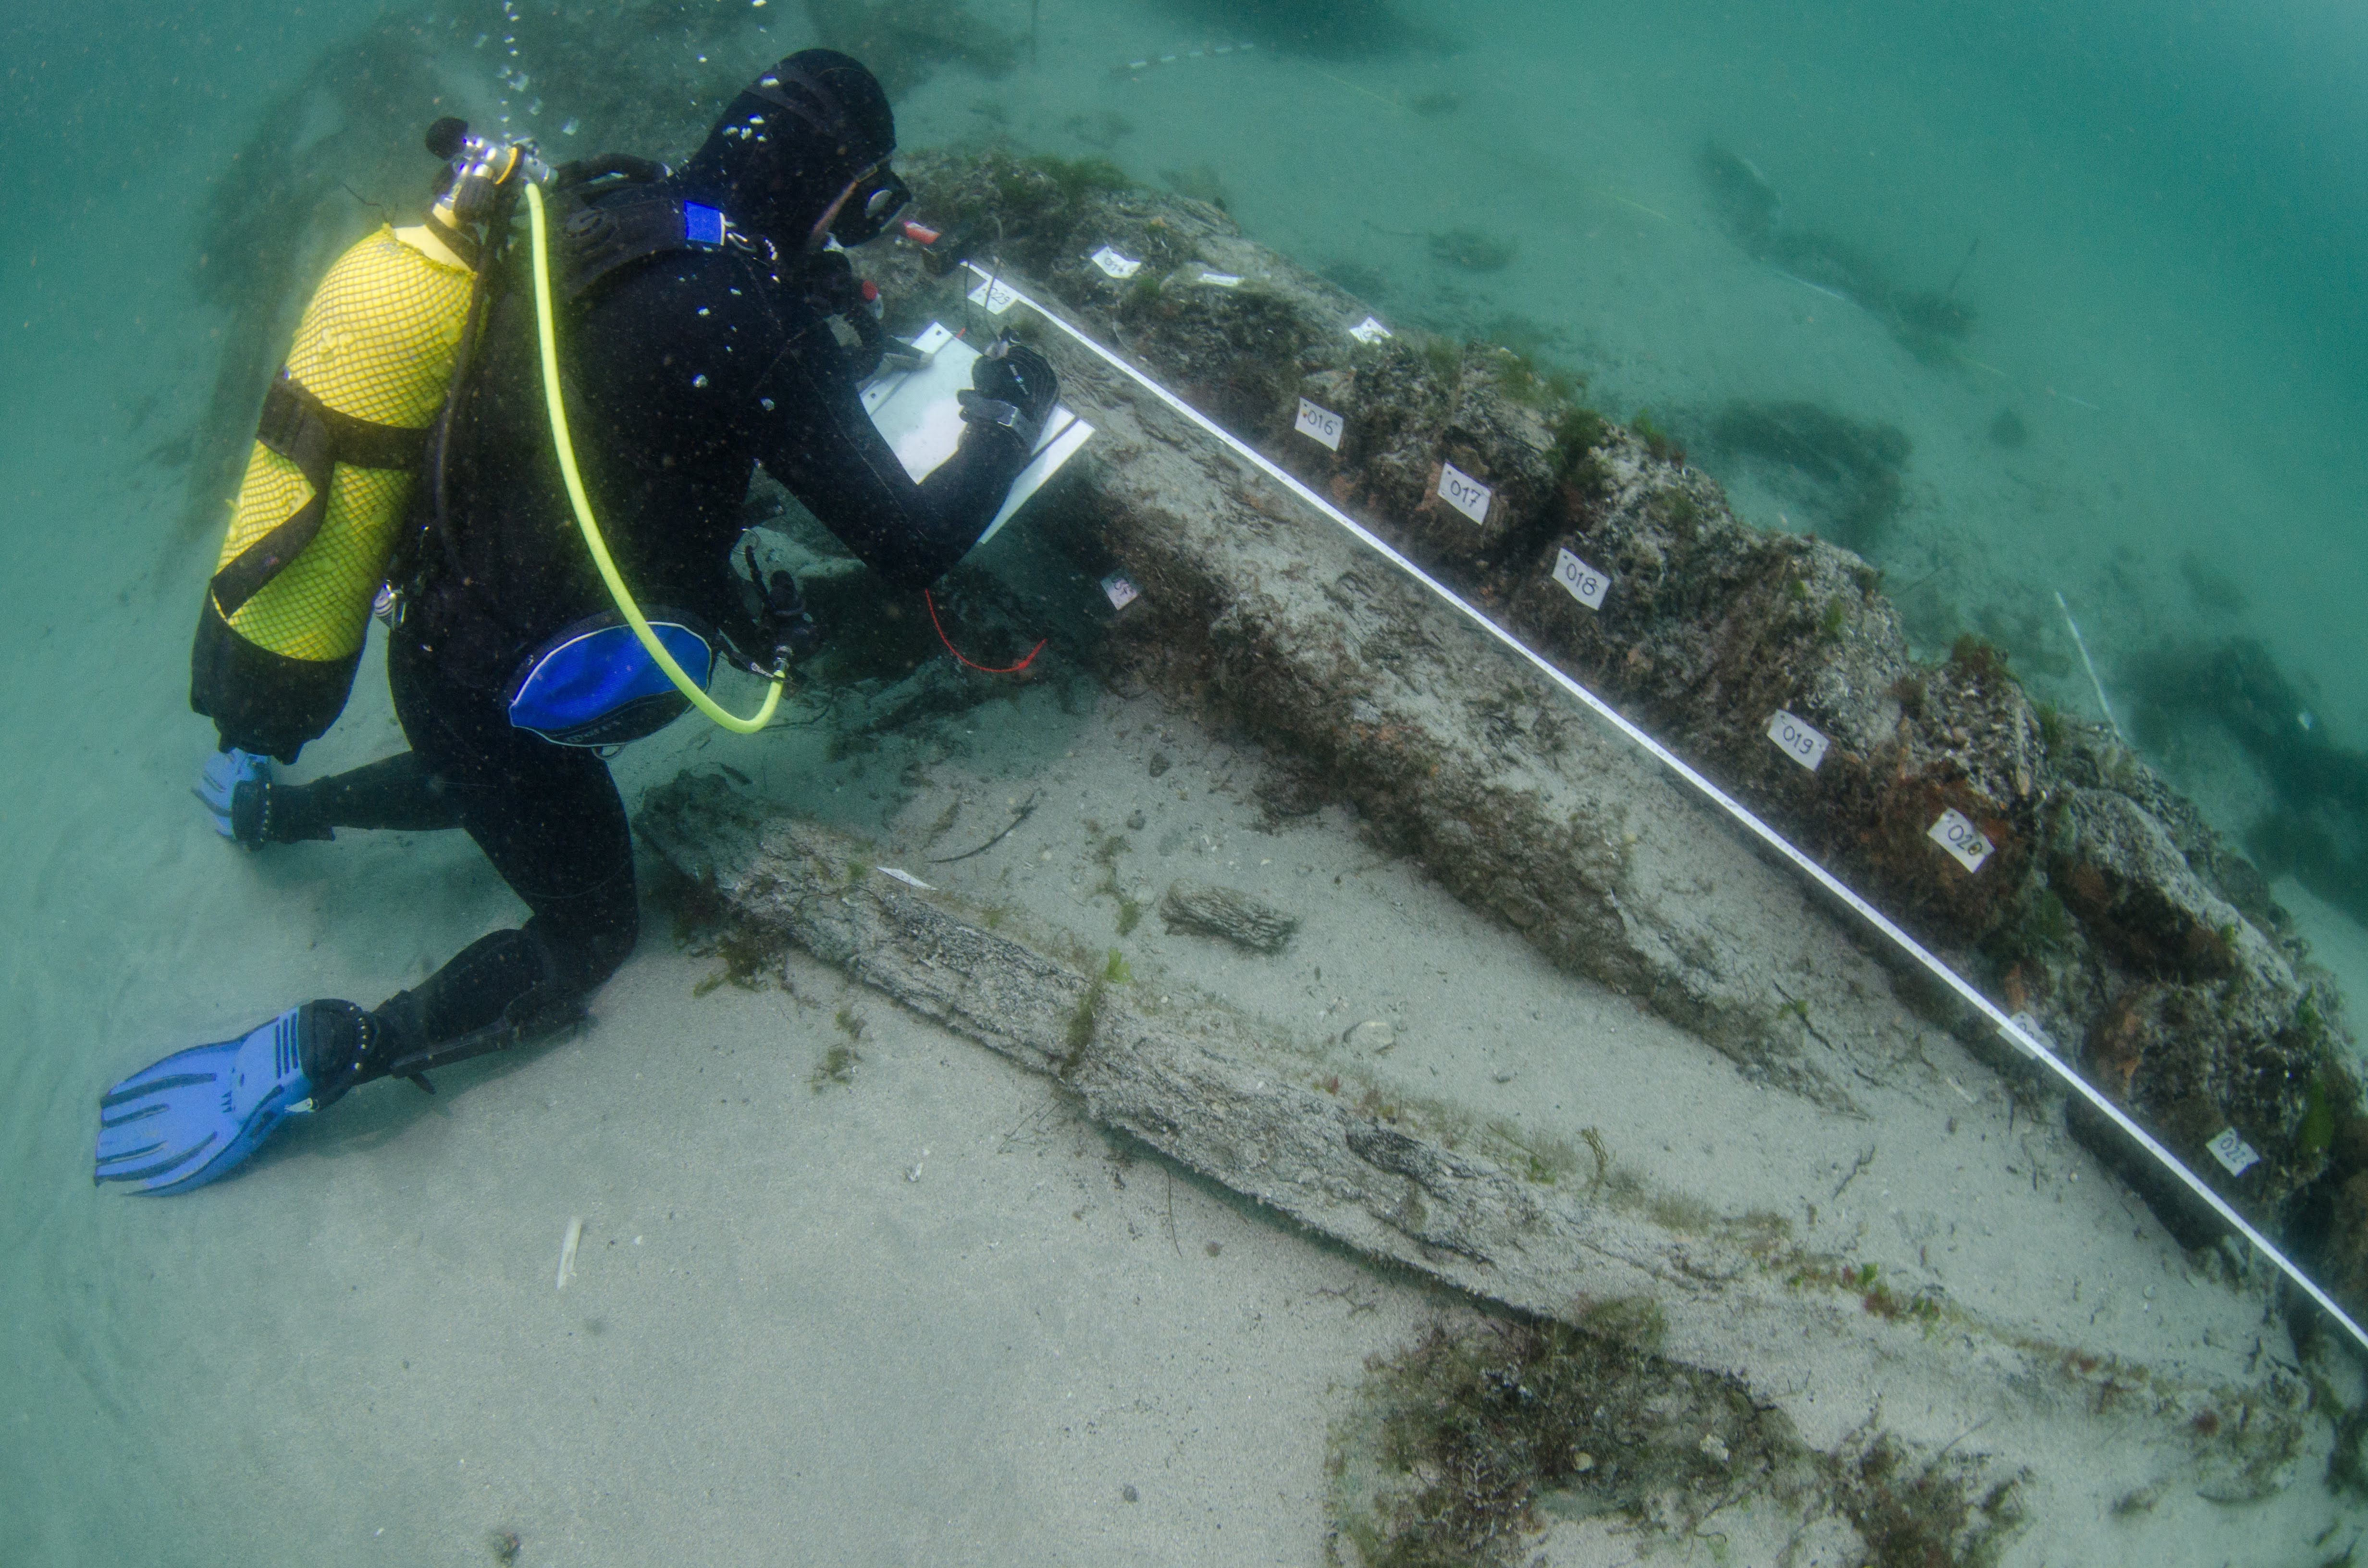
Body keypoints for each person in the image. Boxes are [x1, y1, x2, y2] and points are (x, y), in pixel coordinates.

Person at [96, 50, 1057, 1194]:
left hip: (433, 644)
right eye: (862, 216)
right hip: (528, 693)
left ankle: (280, 807)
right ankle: (351, 1047)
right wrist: (1004, 417)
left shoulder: (596, 207)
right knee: (586, 930)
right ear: (838, 197)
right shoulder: (752, 324)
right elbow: (914, 545)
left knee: (484, 776)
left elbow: (647, 352)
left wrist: (809, 299)